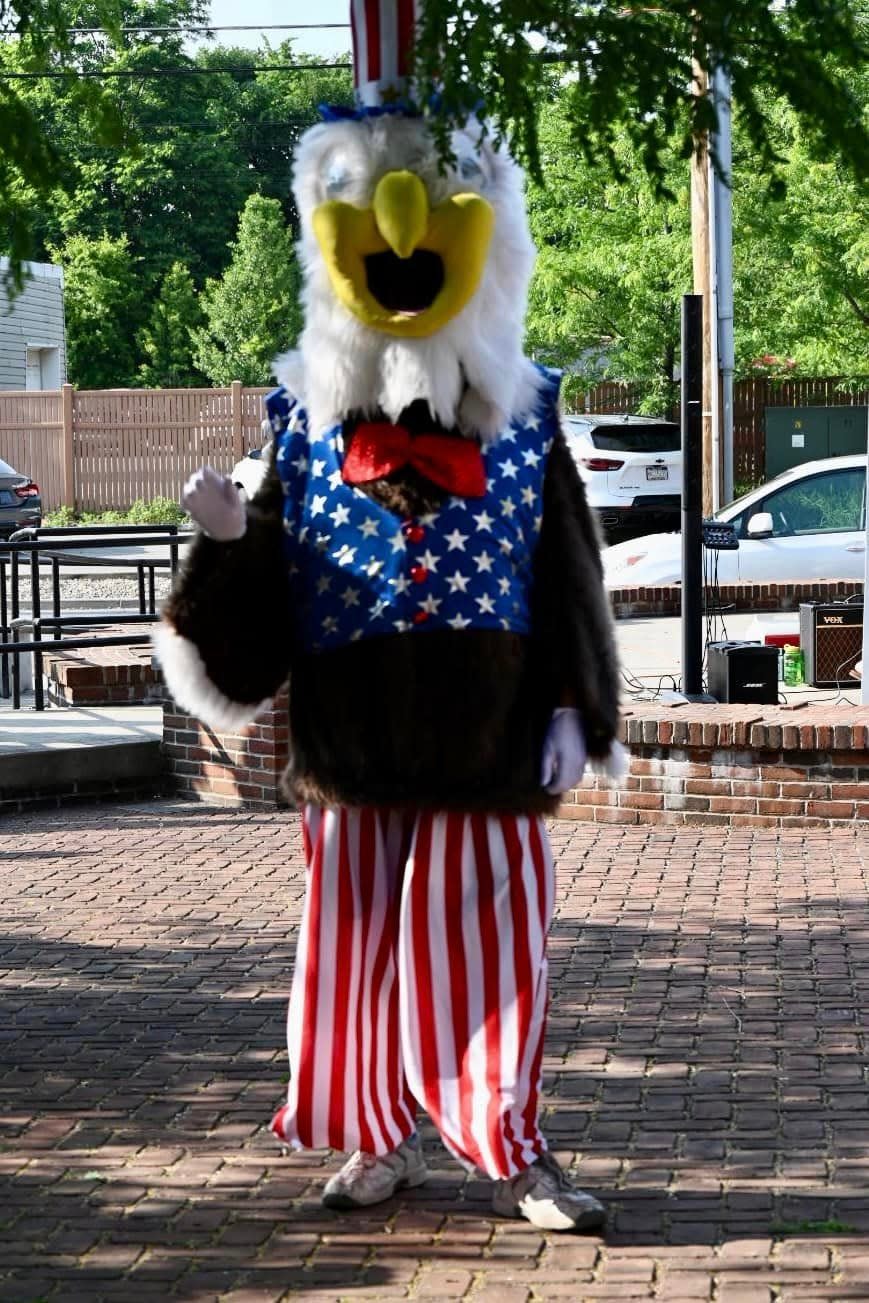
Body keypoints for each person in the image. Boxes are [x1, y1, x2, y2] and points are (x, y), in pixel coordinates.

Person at [155, 0, 622, 1234]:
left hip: (493, 742)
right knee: (353, 959)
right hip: (353, 749)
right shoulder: (303, 421)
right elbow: (252, 638)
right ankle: (374, 1139)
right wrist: (219, 549)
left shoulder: (521, 415)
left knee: (492, 956)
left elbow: (566, 568)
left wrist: (580, 703)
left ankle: (509, 1146)